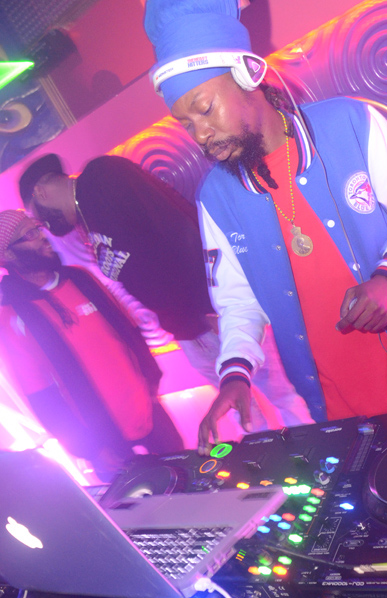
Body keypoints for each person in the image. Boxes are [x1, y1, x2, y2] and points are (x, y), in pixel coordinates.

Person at [144, 0, 387, 455]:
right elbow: (238, 301)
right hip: (334, 413)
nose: (201, 134)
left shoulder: (351, 123)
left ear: (248, 73)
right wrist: (236, 373)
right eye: (187, 123)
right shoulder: (216, 197)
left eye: (205, 109)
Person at [18, 153, 312, 433]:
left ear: (41, 193)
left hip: (212, 314)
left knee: (281, 393)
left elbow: (179, 230)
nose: (46, 227)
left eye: (38, 218)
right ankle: (270, 463)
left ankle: (318, 453)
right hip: (187, 329)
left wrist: (208, 307)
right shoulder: (86, 219)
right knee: (241, 412)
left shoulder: (102, 176)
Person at [0, 209, 183, 478]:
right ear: (9, 254)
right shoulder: (12, 314)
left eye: (38, 228)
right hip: (104, 443)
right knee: (137, 501)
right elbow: (41, 394)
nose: (42, 236)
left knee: (185, 479)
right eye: (29, 234)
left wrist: (152, 385)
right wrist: (90, 449)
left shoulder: (80, 278)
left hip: (149, 411)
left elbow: (129, 332)